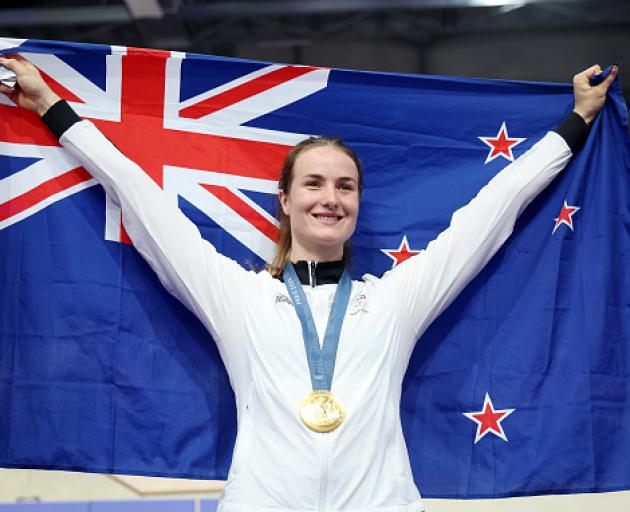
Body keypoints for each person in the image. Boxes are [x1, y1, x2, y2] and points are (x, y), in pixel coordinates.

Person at [0, 55, 618, 512]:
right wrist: (55, 111)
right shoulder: (237, 297)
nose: (331, 198)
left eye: (345, 186)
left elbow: (493, 209)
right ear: (286, 199)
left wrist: (578, 122)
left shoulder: (393, 300)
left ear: (357, 204)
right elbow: (139, 197)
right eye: (315, 184)